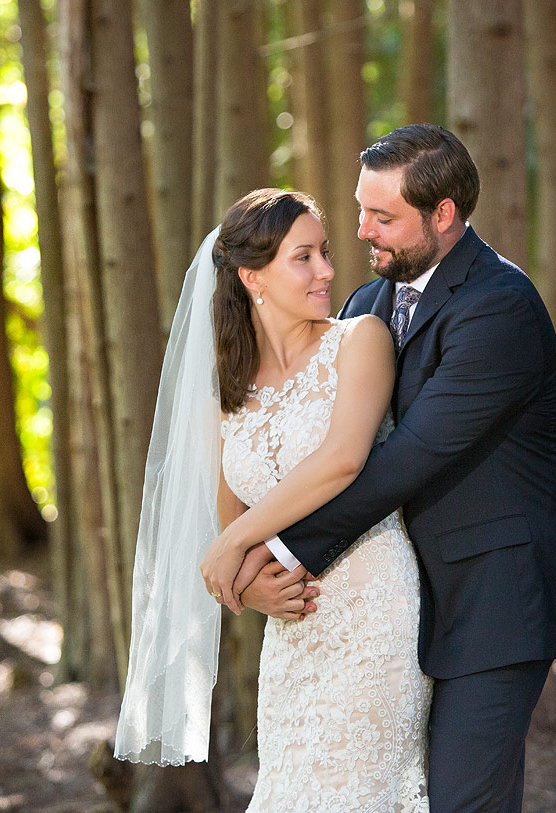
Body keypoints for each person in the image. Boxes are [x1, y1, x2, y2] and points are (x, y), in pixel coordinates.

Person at [204, 123, 556, 812]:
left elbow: (401, 461)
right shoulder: (367, 306)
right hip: (400, 605)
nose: (361, 231)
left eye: (382, 216)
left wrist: (259, 549)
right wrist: (259, 584)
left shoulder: (498, 307)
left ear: (442, 216)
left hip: (492, 599)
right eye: (360, 209)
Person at [115, 188, 431, 811]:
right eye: (304, 257)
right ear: (251, 275)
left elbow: (342, 460)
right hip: (291, 634)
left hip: (374, 613)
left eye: (325, 253)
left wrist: (230, 547)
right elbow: (234, 527)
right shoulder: (225, 394)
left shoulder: (360, 340)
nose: (328, 272)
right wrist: (249, 588)